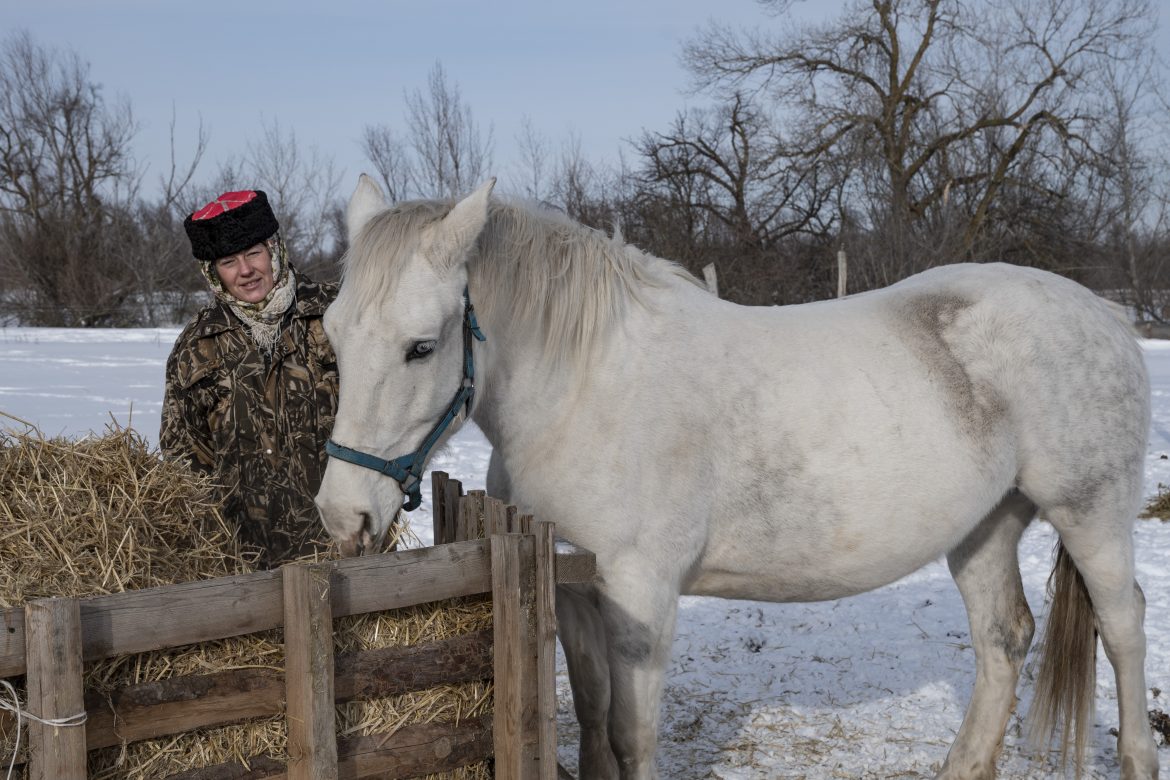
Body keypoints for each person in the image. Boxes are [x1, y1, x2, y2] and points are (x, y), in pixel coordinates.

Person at [161, 190, 339, 568]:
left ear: (274, 250)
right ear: (213, 272)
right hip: (242, 562)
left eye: (254, 254)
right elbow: (182, 459)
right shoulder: (196, 346)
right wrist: (210, 546)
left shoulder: (337, 315)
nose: (245, 271)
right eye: (228, 261)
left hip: (342, 547)